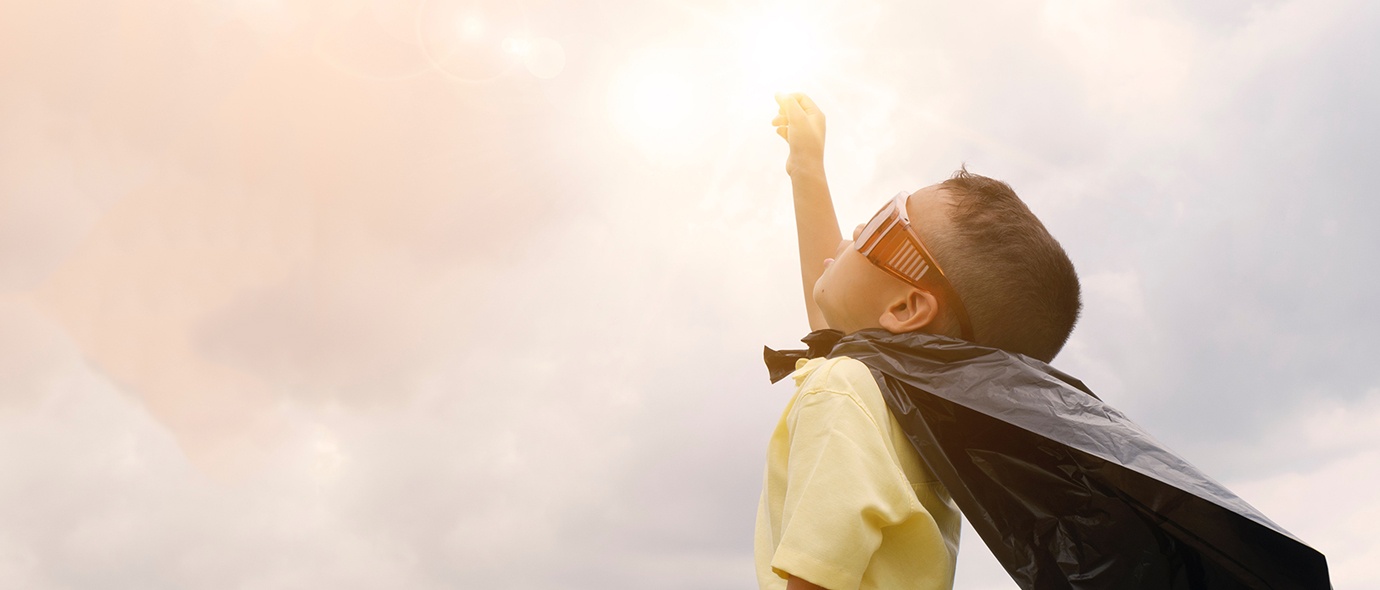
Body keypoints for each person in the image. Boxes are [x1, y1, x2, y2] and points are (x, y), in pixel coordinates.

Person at [755, 92, 1082, 590]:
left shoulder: (844, 390)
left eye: (886, 224)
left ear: (906, 308)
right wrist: (806, 164)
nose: (861, 226)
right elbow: (834, 314)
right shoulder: (908, 405)